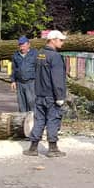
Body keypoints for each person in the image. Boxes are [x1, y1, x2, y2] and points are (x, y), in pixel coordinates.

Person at [23, 30, 68, 158]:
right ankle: (53, 148)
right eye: (61, 40)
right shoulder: (55, 57)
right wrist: (60, 96)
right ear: (53, 40)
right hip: (51, 96)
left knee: (39, 120)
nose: (62, 43)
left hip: (40, 94)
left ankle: (33, 148)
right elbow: (57, 79)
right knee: (53, 120)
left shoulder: (39, 54)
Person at [10, 36, 36, 112]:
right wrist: (13, 81)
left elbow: (39, 68)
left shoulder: (35, 53)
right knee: (21, 104)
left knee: (32, 102)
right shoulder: (16, 55)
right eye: (20, 46)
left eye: (23, 46)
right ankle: (23, 120)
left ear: (29, 45)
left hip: (31, 82)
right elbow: (14, 69)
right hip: (20, 83)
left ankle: (34, 121)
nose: (22, 48)